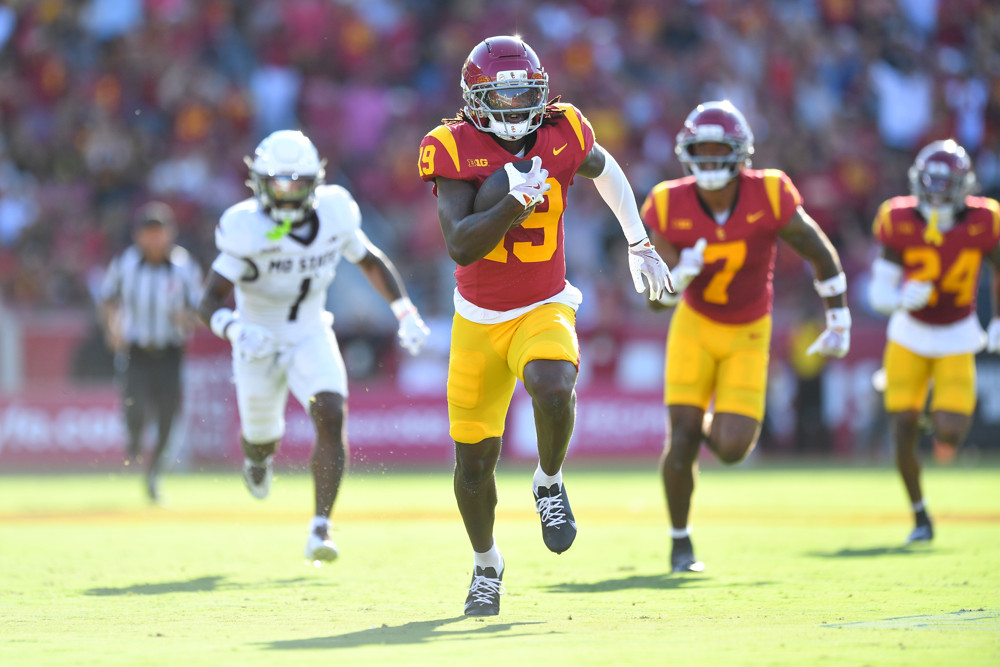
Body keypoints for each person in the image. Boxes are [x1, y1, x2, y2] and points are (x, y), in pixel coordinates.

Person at [418, 35, 672, 616]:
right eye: (500, 99)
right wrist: (513, 201)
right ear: (474, 99)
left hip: (544, 302)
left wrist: (638, 243)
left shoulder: (564, 129)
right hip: (478, 321)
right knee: (474, 466)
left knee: (555, 385)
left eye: (523, 95)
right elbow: (461, 246)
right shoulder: (451, 145)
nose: (514, 110)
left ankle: (548, 479)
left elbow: (605, 170)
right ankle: (487, 566)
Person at [198, 129, 429, 562]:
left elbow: (369, 259)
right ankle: (257, 461)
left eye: (297, 183)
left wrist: (404, 311)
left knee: (330, 410)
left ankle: (320, 527)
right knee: (261, 439)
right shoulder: (243, 225)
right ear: (260, 181)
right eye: (278, 183)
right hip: (257, 336)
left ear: (315, 182)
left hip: (309, 330)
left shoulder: (336, 211)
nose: (287, 194)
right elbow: (206, 301)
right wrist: (233, 327)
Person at [640, 101, 851, 573]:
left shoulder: (770, 193)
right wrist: (675, 280)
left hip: (749, 327)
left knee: (733, 448)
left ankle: (703, 423)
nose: (712, 160)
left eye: (721, 150)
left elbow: (820, 251)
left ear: (742, 153)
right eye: (703, 150)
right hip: (694, 325)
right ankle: (680, 542)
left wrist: (839, 319)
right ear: (686, 153)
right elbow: (654, 301)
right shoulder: (666, 201)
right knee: (681, 439)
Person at [867, 139, 1000, 543]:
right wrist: (896, 298)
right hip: (909, 334)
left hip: (958, 334)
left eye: (947, 184)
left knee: (951, 432)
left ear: (963, 185)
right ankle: (920, 514)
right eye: (932, 183)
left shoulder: (986, 219)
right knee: (902, 427)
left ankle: (927, 409)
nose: (938, 193)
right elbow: (878, 291)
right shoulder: (898, 217)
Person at [99, 201, 203, 503]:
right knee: (135, 406)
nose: (155, 239)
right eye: (149, 232)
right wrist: (111, 329)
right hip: (137, 349)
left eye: (160, 232)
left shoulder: (185, 267)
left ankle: (154, 475)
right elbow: (107, 299)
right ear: (138, 236)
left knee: (168, 417)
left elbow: (200, 310)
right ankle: (133, 440)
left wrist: (186, 319)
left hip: (170, 350)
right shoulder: (126, 264)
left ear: (170, 234)